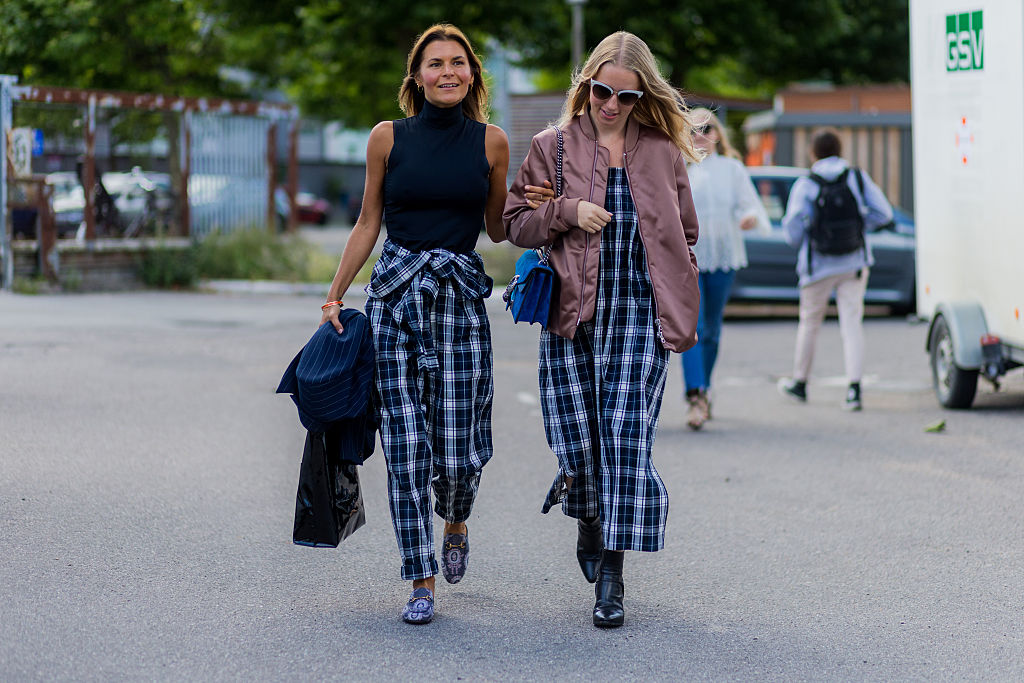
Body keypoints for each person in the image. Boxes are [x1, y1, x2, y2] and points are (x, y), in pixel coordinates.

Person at [319, 24, 552, 625]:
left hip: (459, 305)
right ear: (416, 76)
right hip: (396, 302)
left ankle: (455, 519)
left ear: (472, 74)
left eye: (458, 63)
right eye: (435, 63)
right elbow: (368, 222)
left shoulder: (493, 143)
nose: (447, 72)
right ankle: (418, 577)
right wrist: (335, 294)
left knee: (456, 453)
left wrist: (540, 202)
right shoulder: (385, 139)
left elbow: (499, 228)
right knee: (404, 449)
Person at [503, 31, 702, 628]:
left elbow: (686, 231)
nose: (611, 105)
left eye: (626, 96)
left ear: (644, 98)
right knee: (579, 445)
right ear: (585, 85)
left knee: (624, 439)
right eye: (601, 91)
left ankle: (612, 578)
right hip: (572, 316)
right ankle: (588, 513)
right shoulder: (552, 146)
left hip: (639, 316)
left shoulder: (664, 151)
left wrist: (675, 273)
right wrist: (567, 211)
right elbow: (513, 222)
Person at [777, 129, 893, 410]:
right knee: (851, 324)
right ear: (840, 150)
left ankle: (800, 383)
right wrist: (859, 227)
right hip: (854, 262)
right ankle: (854, 390)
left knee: (810, 324)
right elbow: (884, 214)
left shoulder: (806, 183)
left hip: (817, 266)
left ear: (812, 152)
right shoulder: (856, 177)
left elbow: (792, 232)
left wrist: (812, 232)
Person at [680, 108, 770, 430]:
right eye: (692, 130)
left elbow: (751, 206)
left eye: (706, 128)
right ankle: (696, 395)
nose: (700, 135)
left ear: (717, 133)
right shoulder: (680, 169)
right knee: (693, 328)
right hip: (688, 258)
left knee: (713, 330)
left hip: (723, 257)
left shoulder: (732, 168)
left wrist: (749, 217)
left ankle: (705, 387)